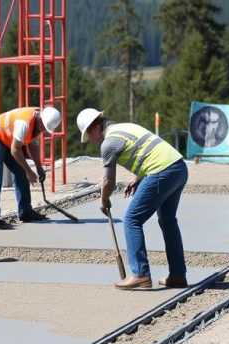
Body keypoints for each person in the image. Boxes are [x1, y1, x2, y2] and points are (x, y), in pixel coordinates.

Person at [76, 108, 189, 290]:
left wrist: (104, 200)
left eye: (89, 135)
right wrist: (138, 178)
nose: (92, 141)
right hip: (179, 168)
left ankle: (140, 275)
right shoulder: (124, 127)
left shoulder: (108, 144)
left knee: (131, 219)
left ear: (95, 128)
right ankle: (177, 275)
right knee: (168, 221)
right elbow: (148, 151)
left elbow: (108, 182)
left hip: (161, 171)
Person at [0, 106, 62, 222]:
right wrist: (29, 171)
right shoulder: (24, 123)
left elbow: (33, 145)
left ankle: (25, 211)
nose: (44, 130)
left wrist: (39, 166)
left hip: (9, 140)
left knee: (20, 172)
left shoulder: (38, 124)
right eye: (44, 127)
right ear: (41, 120)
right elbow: (15, 150)